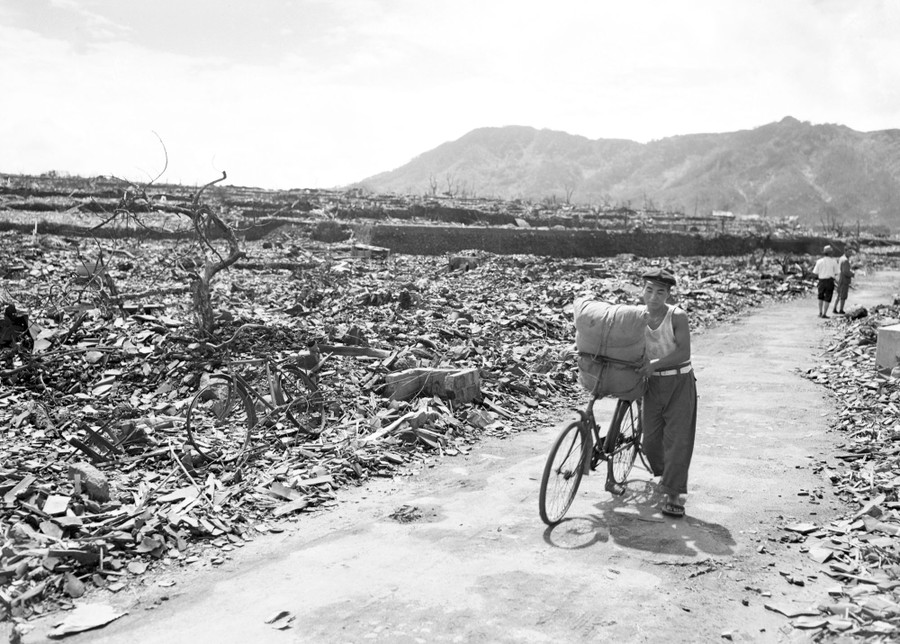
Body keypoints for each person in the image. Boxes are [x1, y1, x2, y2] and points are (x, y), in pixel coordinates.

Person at [630, 268, 697, 518]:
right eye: (649, 290)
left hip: (679, 382)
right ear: (642, 290)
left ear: (668, 294)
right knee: (650, 442)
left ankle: (674, 495)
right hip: (652, 385)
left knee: (677, 440)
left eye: (660, 292)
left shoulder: (676, 316)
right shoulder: (637, 315)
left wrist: (654, 364)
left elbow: (683, 353)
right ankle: (666, 476)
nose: (653, 296)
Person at [813, 245, 839, 319]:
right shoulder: (834, 261)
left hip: (821, 280)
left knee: (820, 296)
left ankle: (820, 312)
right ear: (831, 253)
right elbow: (836, 272)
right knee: (828, 297)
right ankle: (824, 313)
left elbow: (815, 272)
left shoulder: (819, 261)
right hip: (830, 280)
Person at [832, 247, 854, 315]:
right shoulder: (845, 260)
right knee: (843, 296)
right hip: (844, 280)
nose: (850, 253)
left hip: (840, 278)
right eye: (849, 252)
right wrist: (852, 274)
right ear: (845, 251)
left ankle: (835, 308)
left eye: (851, 252)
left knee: (839, 294)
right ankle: (841, 309)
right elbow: (846, 271)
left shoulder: (841, 258)